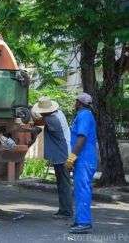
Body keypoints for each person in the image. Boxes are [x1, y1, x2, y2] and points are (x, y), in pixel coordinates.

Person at [32, 96, 73, 219]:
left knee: (64, 185)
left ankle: (66, 211)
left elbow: (37, 123)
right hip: (64, 153)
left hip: (62, 155)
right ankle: (64, 209)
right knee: (62, 184)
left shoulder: (52, 119)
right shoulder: (58, 113)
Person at [66, 93, 98, 234]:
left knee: (83, 190)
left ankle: (84, 223)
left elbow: (81, 138)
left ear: (79, 103)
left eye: (75, 101)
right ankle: (80, 220)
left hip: (84, 159)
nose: (74, 104)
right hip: (83, 159)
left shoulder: (84, 115)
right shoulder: (84, 115)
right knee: (80, 190)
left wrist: (72, 157)